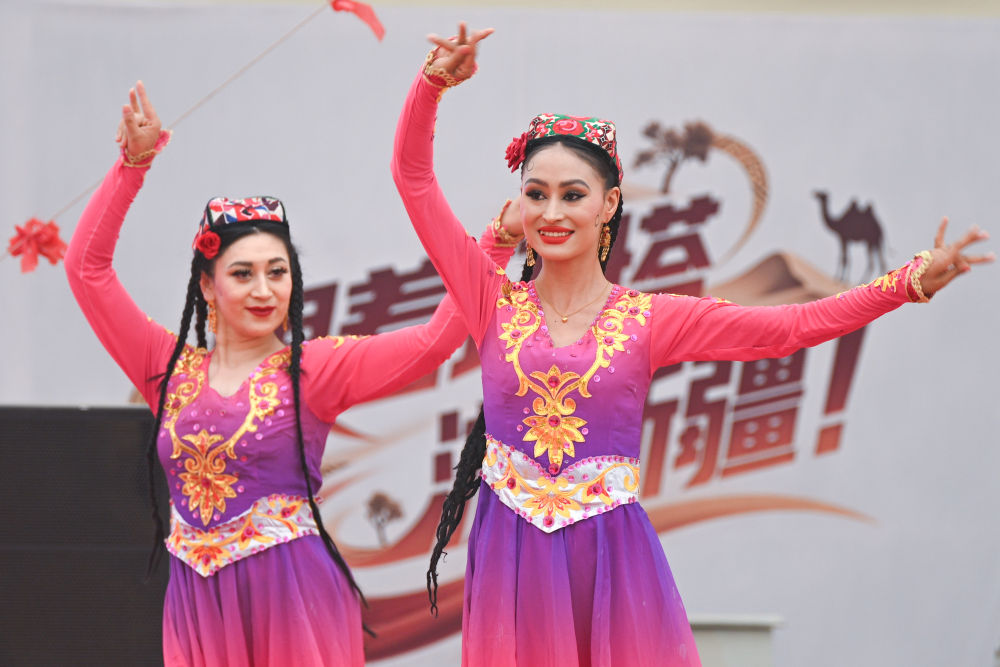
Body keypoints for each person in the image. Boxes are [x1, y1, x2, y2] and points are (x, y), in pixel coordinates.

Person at [390, 23, 993, 667]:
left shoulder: (650, 319)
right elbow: (413, 179)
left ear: (609, 204)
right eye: (536, 194)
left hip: (610, 559)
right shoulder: (491, 300)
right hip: (511, 556)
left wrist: (904, 284)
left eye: (573, 195)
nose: (552, 212)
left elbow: (790, 328)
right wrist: (433, 83)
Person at [64, 81, 515, 667]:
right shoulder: (164, 367)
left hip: (291, 597)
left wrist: (495, 246)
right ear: (207, 286)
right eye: (243, 273)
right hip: (196, 600)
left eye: (277, 272)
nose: (263, 289)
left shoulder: (314, 370)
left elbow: (434, 343)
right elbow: (87, 270)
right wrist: (132, 167)